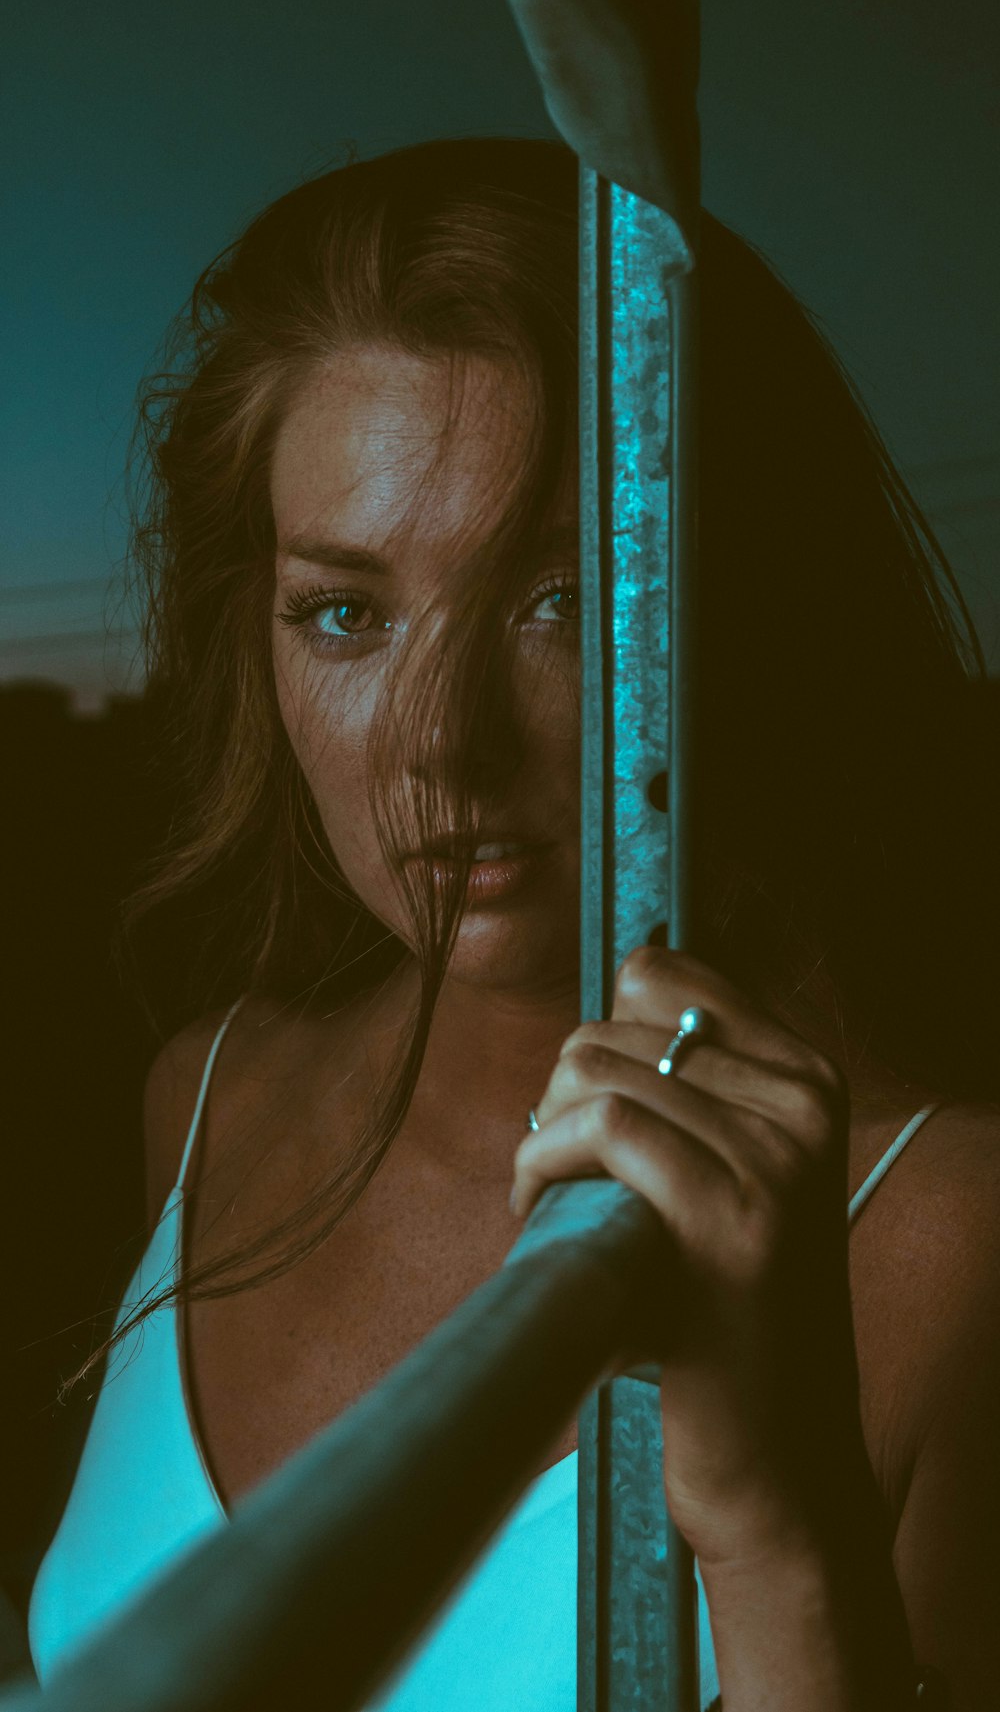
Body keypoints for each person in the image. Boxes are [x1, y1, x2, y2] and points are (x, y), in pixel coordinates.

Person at [26, 136, 999, 1710]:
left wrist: (773, 1529)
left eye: (559, 597)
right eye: (344, 612)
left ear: (737, 600)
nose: (438, 743)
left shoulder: (949, 1234)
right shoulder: (207, 1095)